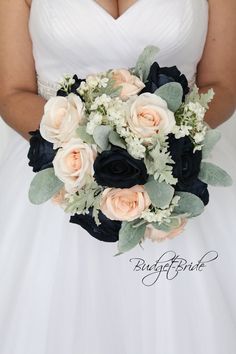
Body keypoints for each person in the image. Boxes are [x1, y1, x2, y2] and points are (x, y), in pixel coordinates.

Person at [0, 1, 235, 353]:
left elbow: (222, 85)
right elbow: (12, 92)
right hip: (60, 173)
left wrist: (161, 142)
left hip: (177, 169)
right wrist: (85, 145)